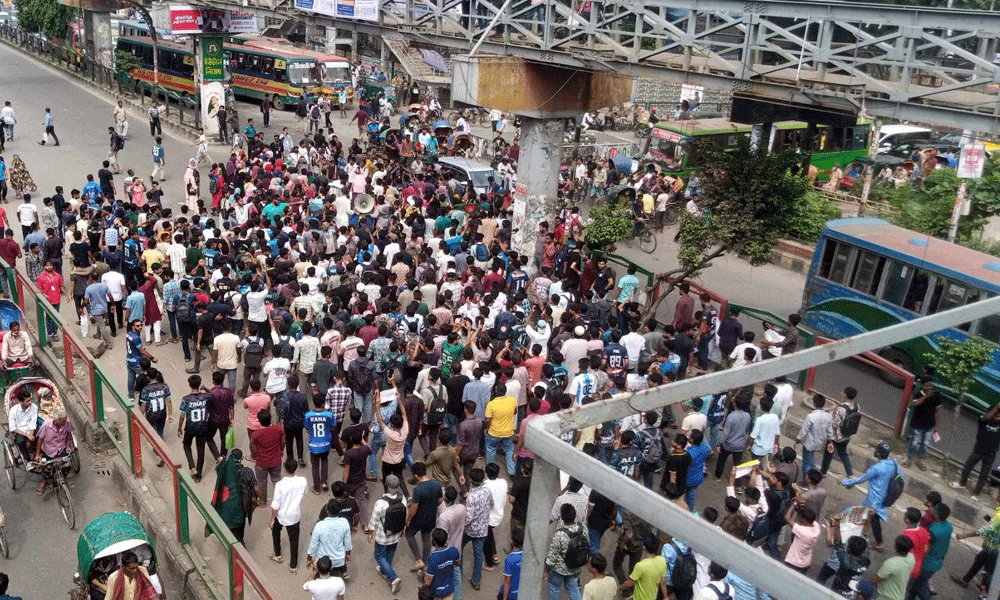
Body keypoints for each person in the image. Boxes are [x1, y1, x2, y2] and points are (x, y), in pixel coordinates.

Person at [841, 441, 898, 552]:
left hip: (874, 500)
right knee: (870, 518)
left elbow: (860, 479)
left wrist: (844, 482)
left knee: (872, 520)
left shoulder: (876, 468)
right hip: (883, 497)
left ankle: (877, 542)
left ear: (878, 454)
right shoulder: (892, 464)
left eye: (876, 450)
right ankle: (866, 536)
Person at [952, 402, 1000, 500]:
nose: (998, 417)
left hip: (990, 454)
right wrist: (997, 407)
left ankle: (976, 494)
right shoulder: (983, 420)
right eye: (996, 415)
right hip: (978, 450)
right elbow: (986, 417)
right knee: (967, 468)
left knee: (983, 475)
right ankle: (961, 483)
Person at [210, 449, 257, 545]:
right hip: (241, 505)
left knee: (228, 528)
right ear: (241, 459)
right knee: (239, 531)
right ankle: (239, 547)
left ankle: (230, 543)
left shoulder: (224, 471)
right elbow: (255, 487)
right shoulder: (247, 472)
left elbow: (218, 470)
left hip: (225, 504)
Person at [368, 473, 406, 594]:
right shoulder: (403, 499)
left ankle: (393, 578)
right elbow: (404, 517)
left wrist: (370, 532)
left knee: (379, 556)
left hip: (382, 536)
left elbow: (374, 520)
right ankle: (385, 570)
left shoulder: (381, 503)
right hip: (396, 534)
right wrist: (403, 530)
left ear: (386, 485)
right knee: (390, 552)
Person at [177, 374, 219, 482]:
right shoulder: (206, 397)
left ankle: (192, 467)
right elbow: (213, 395)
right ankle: (198, 475)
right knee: (201, 451)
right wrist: (205, 389)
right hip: (202, 427)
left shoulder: (186, 399)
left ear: (189, 385)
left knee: (186, 445)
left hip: (190, 427)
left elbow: (182, 416)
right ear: (199, 384)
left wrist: (179, 428)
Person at [270, 458, 307, 573]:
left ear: (285, 469)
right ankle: (293, 566)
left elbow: (275, 505)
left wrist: (272, 518)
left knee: (275, 531)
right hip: (294, 516)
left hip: (281, 515)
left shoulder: (280, 485)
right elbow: (304, 494)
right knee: (294, 541)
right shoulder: (302, 481)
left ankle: (278, 554)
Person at [544, 503, 586, 600]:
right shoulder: (583, 528)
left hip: (559, 569)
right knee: (573, 588)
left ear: (562, 518)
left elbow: (552, 557)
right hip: (576, 566)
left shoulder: (559, 534)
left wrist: (546, 571)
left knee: (554, 587)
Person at [464, 467, 494, 591]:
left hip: (470, 530)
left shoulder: (471, 497)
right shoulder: (487, 491)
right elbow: (492, 504)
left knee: (458, 548)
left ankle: (456, 572)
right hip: (482, 530)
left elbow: (468, 518)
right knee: (478, 556)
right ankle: (476, 582)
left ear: (471, 480)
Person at [307, 501, 353, 578]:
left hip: (322, 562)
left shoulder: (319, 526)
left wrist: (309, 558)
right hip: (338, 560)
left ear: (327, 511)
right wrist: (348, 554)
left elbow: (313, 545)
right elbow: (347, 543)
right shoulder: (344, 522)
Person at [33, 408, 74, 493]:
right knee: (46, 468)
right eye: (62, 422)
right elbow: (40, 440)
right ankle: (43, 481)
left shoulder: (67, 422)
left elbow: (69, 434)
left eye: (65, 421)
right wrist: (37, 454)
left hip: (61, 448)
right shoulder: (46, 425)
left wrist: (68, 446)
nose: (64, 423)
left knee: (67, 465)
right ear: (55, 421)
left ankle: (65, 478)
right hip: (49, 450)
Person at [822, 387, 859, 477]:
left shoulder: (841, 409)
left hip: (836, 436)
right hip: (847, 435)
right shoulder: (856, 406)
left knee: (828, 453)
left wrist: (832, 414)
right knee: (843, 454)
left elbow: (835, 424)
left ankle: (823, 472)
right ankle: (850, 473)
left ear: (845, 395)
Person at [617, 533, 665, 600]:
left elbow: (629, 583)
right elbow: (663, 581)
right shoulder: (662, 561)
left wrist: (618, 589)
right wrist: (665, 596)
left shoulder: (641, 566)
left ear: (644, 548)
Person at [251, 409, 284, 503]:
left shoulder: (256, 434)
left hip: (262, 462)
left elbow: (254, 449)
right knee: (276, 480)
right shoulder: (278, 429)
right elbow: (283, 441)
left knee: (261, 482)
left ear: (259, 420)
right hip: (276, 460)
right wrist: (281, 450)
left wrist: (255, 457)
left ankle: (263, 501)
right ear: (270, 418)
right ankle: (279, 500)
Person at [906, 380, 940, 470]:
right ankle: (909, 459)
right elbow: (915, 403)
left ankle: (920, 461)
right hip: (918, 424)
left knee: (924, 444)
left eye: (930, 385)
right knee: (914, 443)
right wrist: (926, 396)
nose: (929, 388)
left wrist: (936, 426)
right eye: (927, 386)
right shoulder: (918, 394)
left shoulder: (936, 396)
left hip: (929, 425)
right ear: (922, 386)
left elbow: (937, 412)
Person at [305, 396, 335, 494]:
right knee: (324, 461)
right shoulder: (329, 414)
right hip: (326, 443)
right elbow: (333, 427)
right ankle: (324, 482)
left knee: (315, 465)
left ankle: (317, 487)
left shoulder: (308, 415)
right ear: (323, 403)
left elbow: (307, 429)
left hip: (314, 445)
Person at [869, 536, 915, 600]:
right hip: (900, 596)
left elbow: (876, 579)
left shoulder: (891, 563)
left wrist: (867, 583)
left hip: (886, 597)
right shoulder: (911, 557)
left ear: (896, 547)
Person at [798, 394, 832, 479]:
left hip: (809, 443)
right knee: (811, 458)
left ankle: (807, 480)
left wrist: (798, 439)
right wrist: (830, 441)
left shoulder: (810, 416)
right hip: (819, 443)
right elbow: (830, 431)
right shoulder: (828, 416)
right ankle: (814, 473)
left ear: (814, 403)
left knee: (806, 463)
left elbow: (804, 430)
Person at [424, 527, 460, 599]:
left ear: (434, 542)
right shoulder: (454, 550)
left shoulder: (433, 558)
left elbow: (429, 580)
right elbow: (458, 563)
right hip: (449, 589)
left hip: (436, 592)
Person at [126, 319, 157, 399]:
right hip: (137, 362)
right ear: (133, 326)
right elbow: (142, 351)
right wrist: (152, 358)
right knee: (144, 379)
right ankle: (145, 396)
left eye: (141, 325)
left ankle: (131, 395)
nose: (140, 327)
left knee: (131, 378)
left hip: (129, 360)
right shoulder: (136, 337)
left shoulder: (129, 334)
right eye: (138, 326)